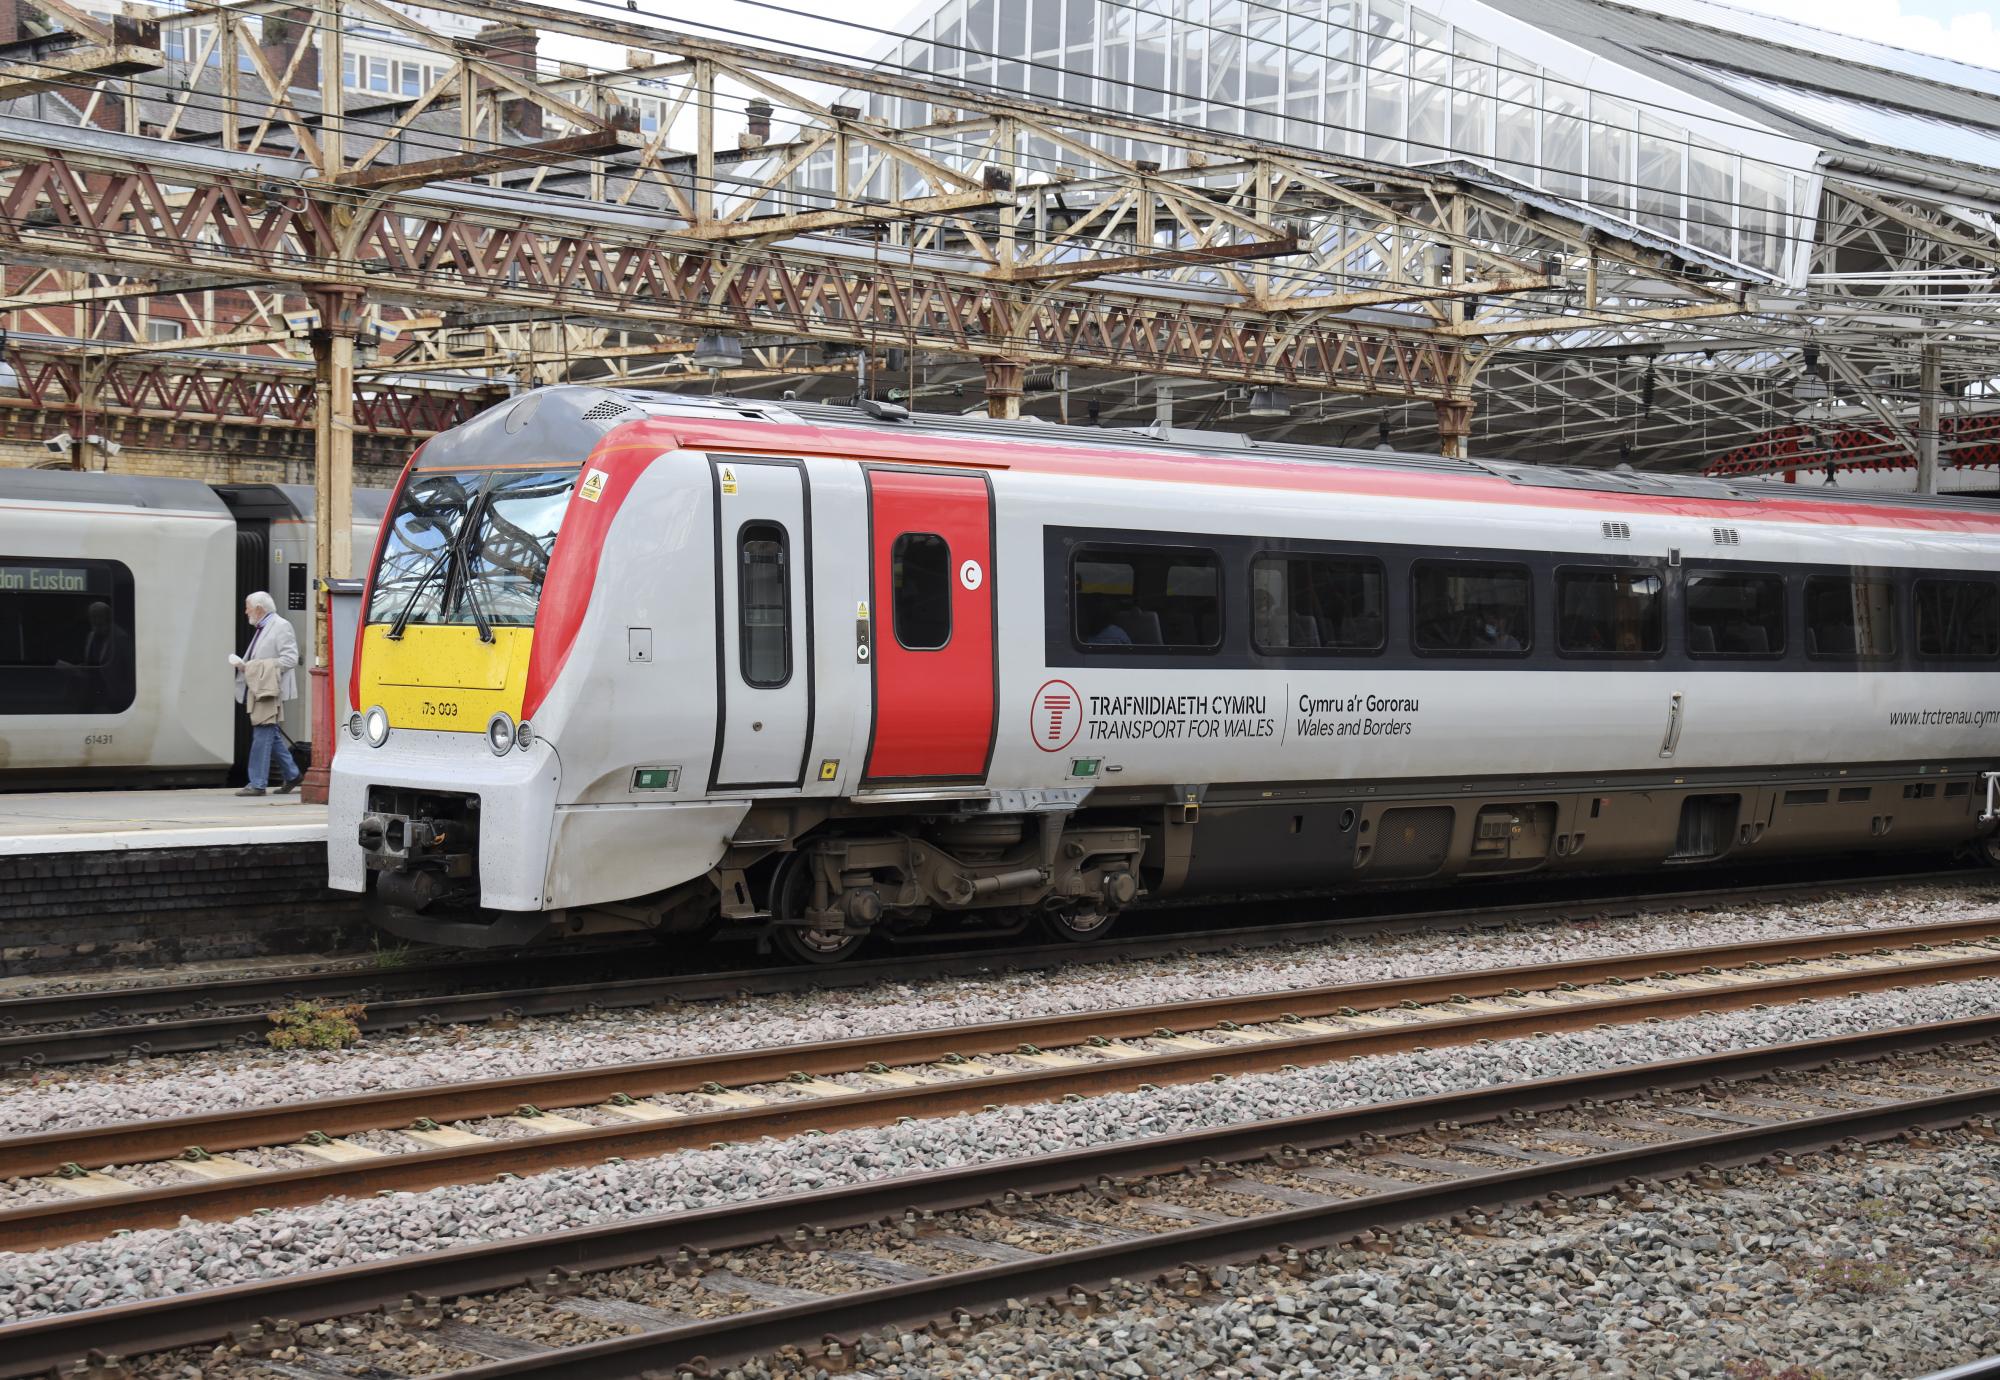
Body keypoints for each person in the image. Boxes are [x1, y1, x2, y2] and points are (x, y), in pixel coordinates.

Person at [231, 591, 301, 797]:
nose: (246, 611)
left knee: (262, 733)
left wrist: (255, 667)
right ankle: (293, 774)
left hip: (270, 689)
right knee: (270, 732)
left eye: (248, 607)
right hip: (261, 687)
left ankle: (257, 783)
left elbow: (290, 659)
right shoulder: (264, 627)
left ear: (260, 609)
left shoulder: (280, 626)